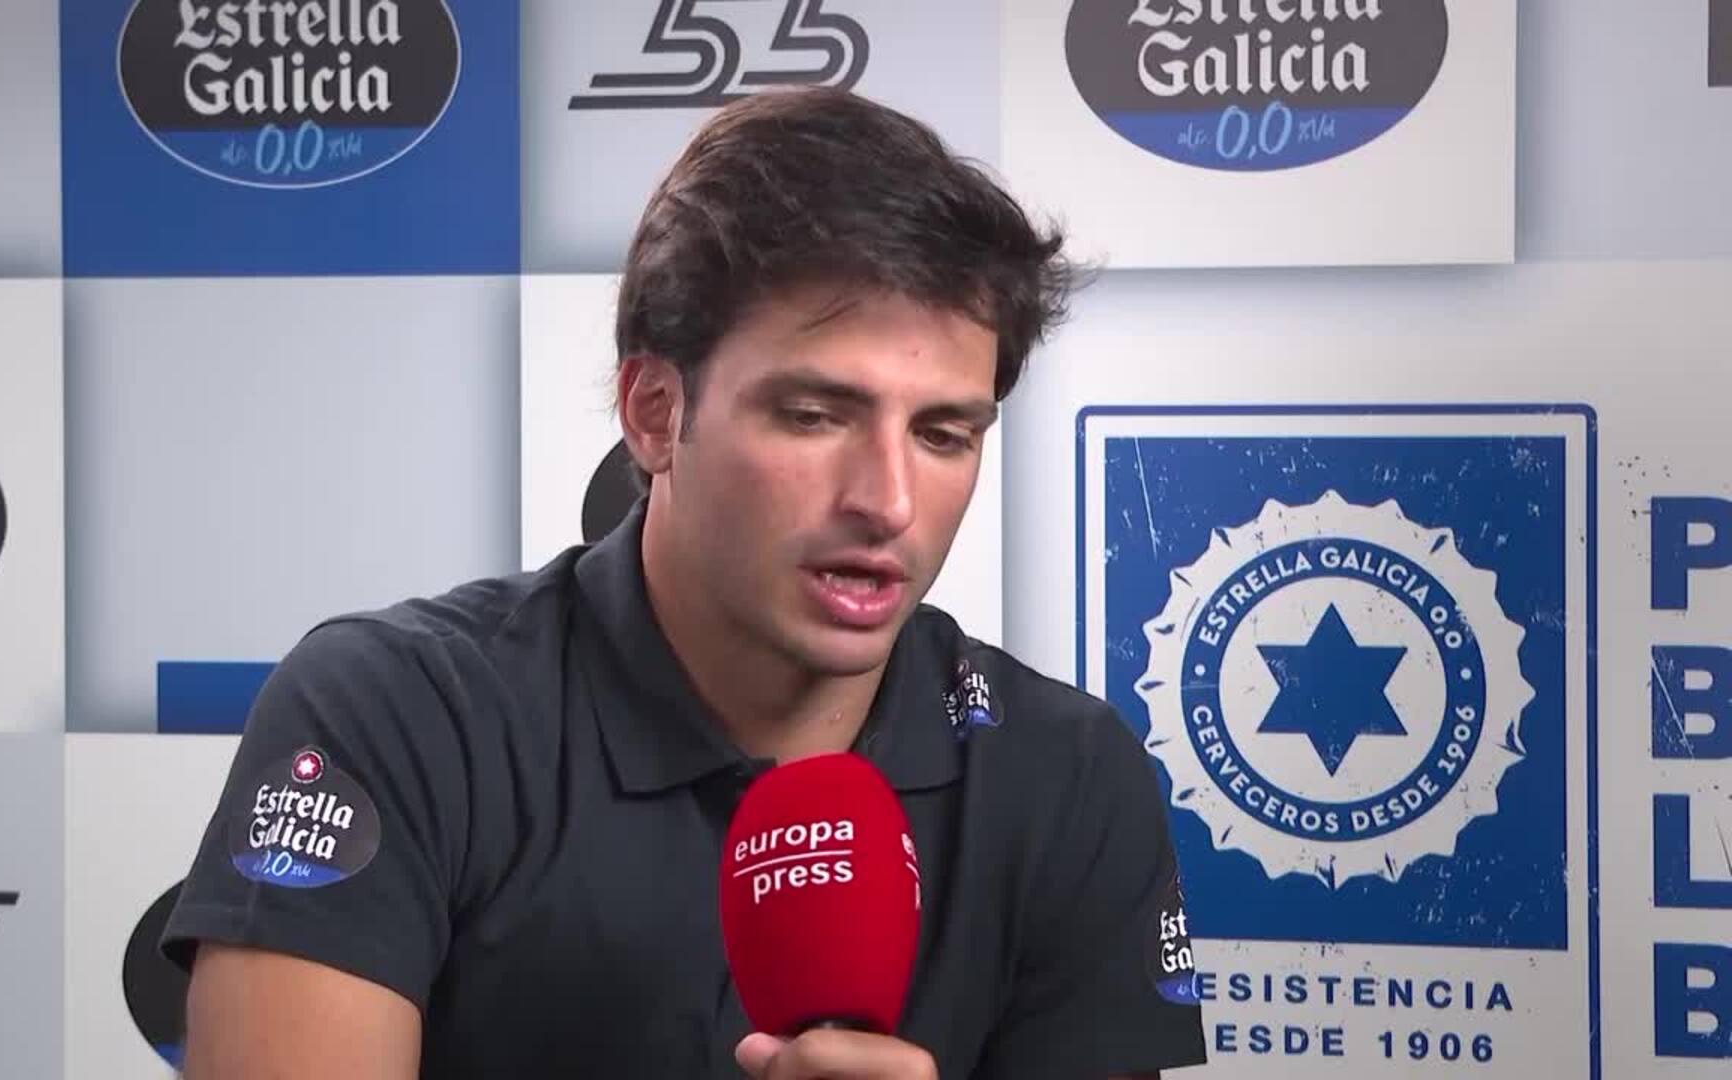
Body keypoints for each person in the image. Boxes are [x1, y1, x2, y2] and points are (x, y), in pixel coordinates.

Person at [161, 85, 1207, 1079]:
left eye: (943, 434)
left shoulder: (1068, 776)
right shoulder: (396, 709)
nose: (887, 500)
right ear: (655, 414)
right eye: (814, 416)